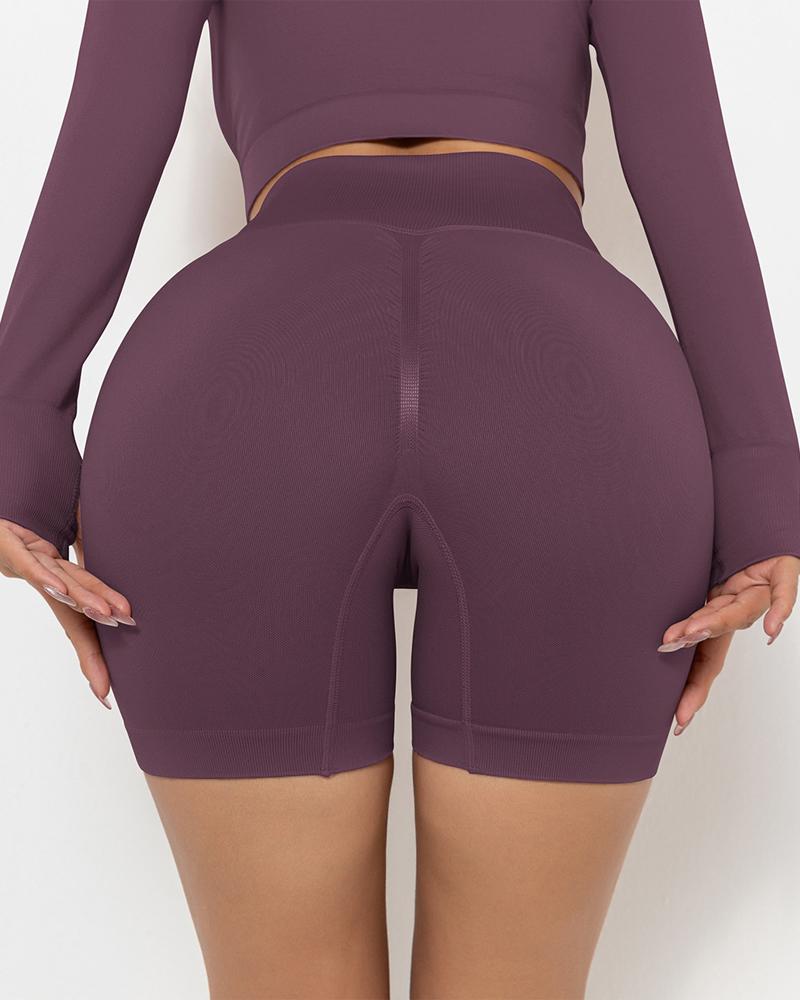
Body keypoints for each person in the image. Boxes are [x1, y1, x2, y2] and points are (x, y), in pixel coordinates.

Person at [1, 2, 798, 997]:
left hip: (250, 377)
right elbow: (684, 159)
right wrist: (760, 496)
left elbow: (111, 127)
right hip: (560, 384)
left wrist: (18, 450)